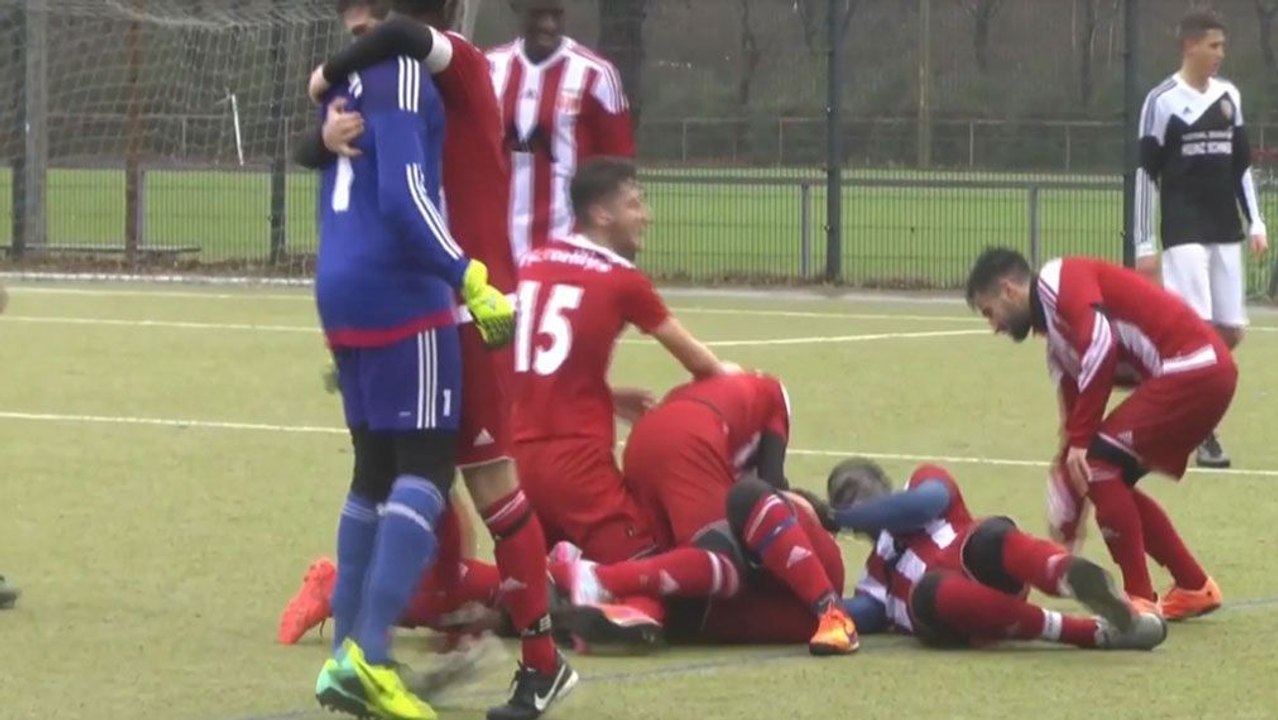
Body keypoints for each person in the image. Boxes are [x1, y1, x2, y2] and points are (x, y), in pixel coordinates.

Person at [303, 4, 571, 717]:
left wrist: (325, 75)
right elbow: (347, 149)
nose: (360, 25)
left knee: (486, 482)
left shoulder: (455, 61)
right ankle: (391, 638)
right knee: (411, 470)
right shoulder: (391, 78)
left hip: (464, 294)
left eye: (367, 12)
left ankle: (540, 661)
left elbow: (392, 40)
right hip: (425, 288)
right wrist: (324, 131)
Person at [510, 156, 727, 633]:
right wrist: (736, 377)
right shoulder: (622, 279)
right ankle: (617, 612)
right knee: (653, 570)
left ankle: (491, 598)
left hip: (518, 464)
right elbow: (699, 362)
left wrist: (602, 395)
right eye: (634, 203)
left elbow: (523, 363)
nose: (644, 215)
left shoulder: (534, 261)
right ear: (602, 214)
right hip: (578, 466)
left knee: (524, 587)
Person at [965, 247, 1233, 621]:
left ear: (1008, 290)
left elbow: (1101, 344)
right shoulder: (1057, 346)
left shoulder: (1062, 278)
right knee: (1102, 473)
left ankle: (1140, 601)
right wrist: (1067, 514)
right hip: (1196, 373)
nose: (993, 325)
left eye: (989, 311)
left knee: (1097, 463)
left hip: (1196, 367)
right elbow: (1073, 431)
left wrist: (1080, 449)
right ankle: (1193, 586)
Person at [552, 371, 859, 656]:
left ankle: (595, 590)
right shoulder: (759, 396)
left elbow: (767, 488)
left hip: (652, 442)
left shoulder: (749, 394)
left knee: (696, 558)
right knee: (711, 557)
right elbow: (767, 487)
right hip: (739, 608)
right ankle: (602, 587)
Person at [828, 458, 1168, 651]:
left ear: (883, 484)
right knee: (932, 591)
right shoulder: (875, 574)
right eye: (840, 499)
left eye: (853, 490)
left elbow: (921, 504)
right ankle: (1089, 632)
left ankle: (1068, 573)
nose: (851, 503)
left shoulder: (924, 482)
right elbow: (845, 612)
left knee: (991, 538)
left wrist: (837, 518)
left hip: (985, 567)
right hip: (949, 614)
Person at [1133, 9, 1267, 468]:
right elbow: (1145, 175)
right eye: (1213, 46)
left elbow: (1241, 168)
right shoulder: (1162, 101)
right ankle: (1201, 429)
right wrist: (1144, 243)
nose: (1220, 55)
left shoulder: (1230, 96)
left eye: (1222, 47)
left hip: (1224, 227)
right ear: (1189, 46)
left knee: (1229, 331)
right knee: (1200, 329)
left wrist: (1257, 223)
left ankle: (1170, 380)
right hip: (1183, 228)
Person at [488, 0, 636, 261]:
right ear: (518, 9)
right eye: (538, 14)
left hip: (569, 247)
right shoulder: (489, 68)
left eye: (556, 15)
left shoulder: (597, 74)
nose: (548, 25)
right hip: (499, 246)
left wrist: (618, 248)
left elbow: (619, 169)